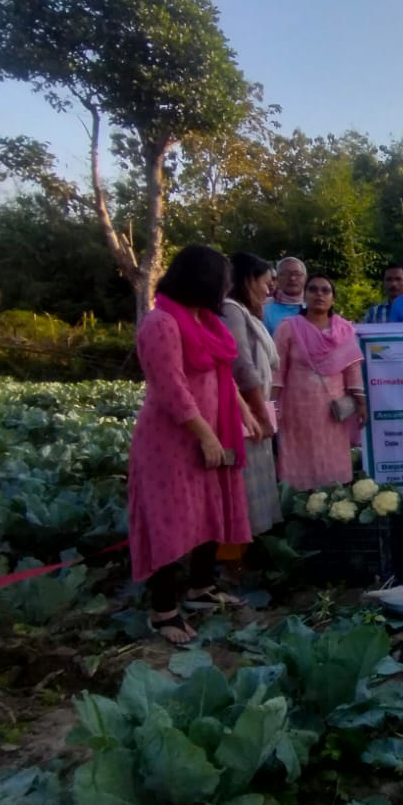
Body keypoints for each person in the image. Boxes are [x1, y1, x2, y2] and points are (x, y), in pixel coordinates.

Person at [128, 245, 254, 643]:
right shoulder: (161, 322)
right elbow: (171, 388)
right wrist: (205, 433)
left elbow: (222, 376)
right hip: (173, 440)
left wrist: (245, 413)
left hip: (213, 433)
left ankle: (202, 587)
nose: (228, 288)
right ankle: (163, 610)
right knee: (170, 519)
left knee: (211, 509)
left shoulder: (207, 323)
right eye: (224, 281)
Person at [274, 273, 367, 489]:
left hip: (333, 411)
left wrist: (361, 404)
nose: (319, 294)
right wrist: (270, 408)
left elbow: (352, 371)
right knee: (298, 460)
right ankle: (297, 505)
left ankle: (331, 506)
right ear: (304, 296)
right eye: (313, 289)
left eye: (325, 290)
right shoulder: (288, 327)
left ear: (333, 299)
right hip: (296, 411)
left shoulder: (343, 330)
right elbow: (276, 372)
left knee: (332, 460)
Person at [221, 252, 285, 541]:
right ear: (249, 280)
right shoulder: (231, 309)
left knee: (254, 496)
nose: (270, 288)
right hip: (242, 413)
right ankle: (233, 567)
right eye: (266, 281)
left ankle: (245, 563)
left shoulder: (245, 312)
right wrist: (258, 412)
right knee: (240, 497)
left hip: (255, 409)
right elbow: (240, 364)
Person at [263, 257, 308, 335]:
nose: (292, 278)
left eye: (297, 274)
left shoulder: (315, 306)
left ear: (306, 278)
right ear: (277, 278)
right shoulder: (264, 310)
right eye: (285, 274)